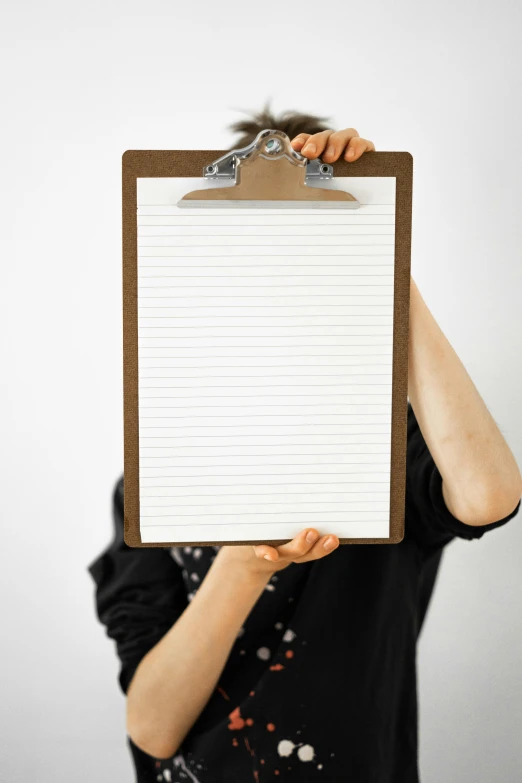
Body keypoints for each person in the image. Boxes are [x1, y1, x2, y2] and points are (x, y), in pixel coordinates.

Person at [88, 108, 522, 783]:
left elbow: (490, 493)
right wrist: (245, 564)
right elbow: (151, 724)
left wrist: (376, 240)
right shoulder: (160, 475)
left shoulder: (388, 448)